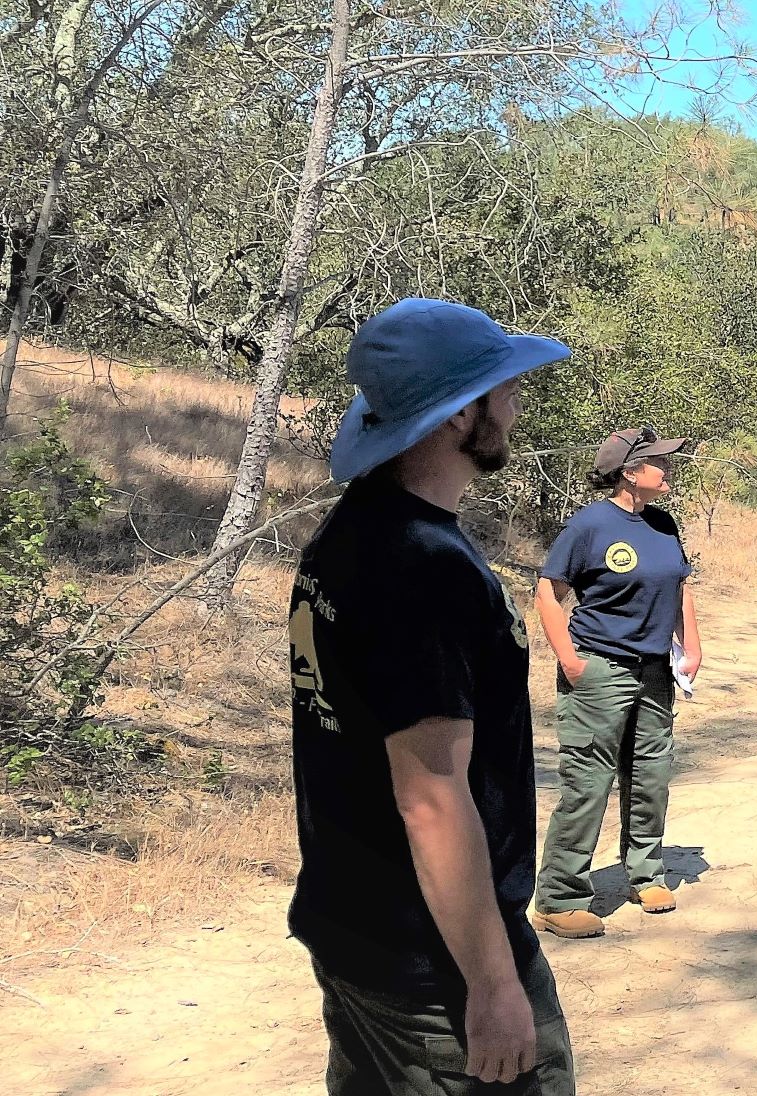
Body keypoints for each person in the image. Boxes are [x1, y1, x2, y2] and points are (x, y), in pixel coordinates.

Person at [287, 298, 576, 1093]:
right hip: (432, 968)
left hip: (355, 932)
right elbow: (432, 800)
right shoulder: (425, 570)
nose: (517, 401)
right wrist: (490, 983)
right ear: (456, 416)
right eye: (503, 386)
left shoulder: (352, 534)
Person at [530, 427, 702, 939]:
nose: (668, 469)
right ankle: (559, 898)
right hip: (601, 668)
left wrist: (691, 645)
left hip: (655, 671)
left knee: (650, 773)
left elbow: (680, 585)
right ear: (630, 472)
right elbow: (548, 592)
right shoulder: (589, 525)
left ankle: (645, 874)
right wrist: (569, 660)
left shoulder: (664, 523)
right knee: (588, 782)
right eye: (659, 462)